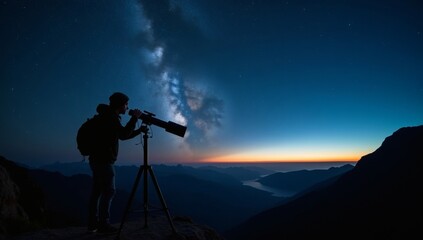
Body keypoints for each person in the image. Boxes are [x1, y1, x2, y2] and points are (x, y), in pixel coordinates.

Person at [87, 92, 142, 233]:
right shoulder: (111, 118)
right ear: (120, 104)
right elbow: (123, 134)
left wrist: (138, 131)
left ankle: (93, 223)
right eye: (126, 104)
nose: (127, 107)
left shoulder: (106, 116)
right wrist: (135, 118)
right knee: (109, 191)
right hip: (104, 161)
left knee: (97, 192)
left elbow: (121, 135)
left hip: (96, 159)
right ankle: (103, 224)